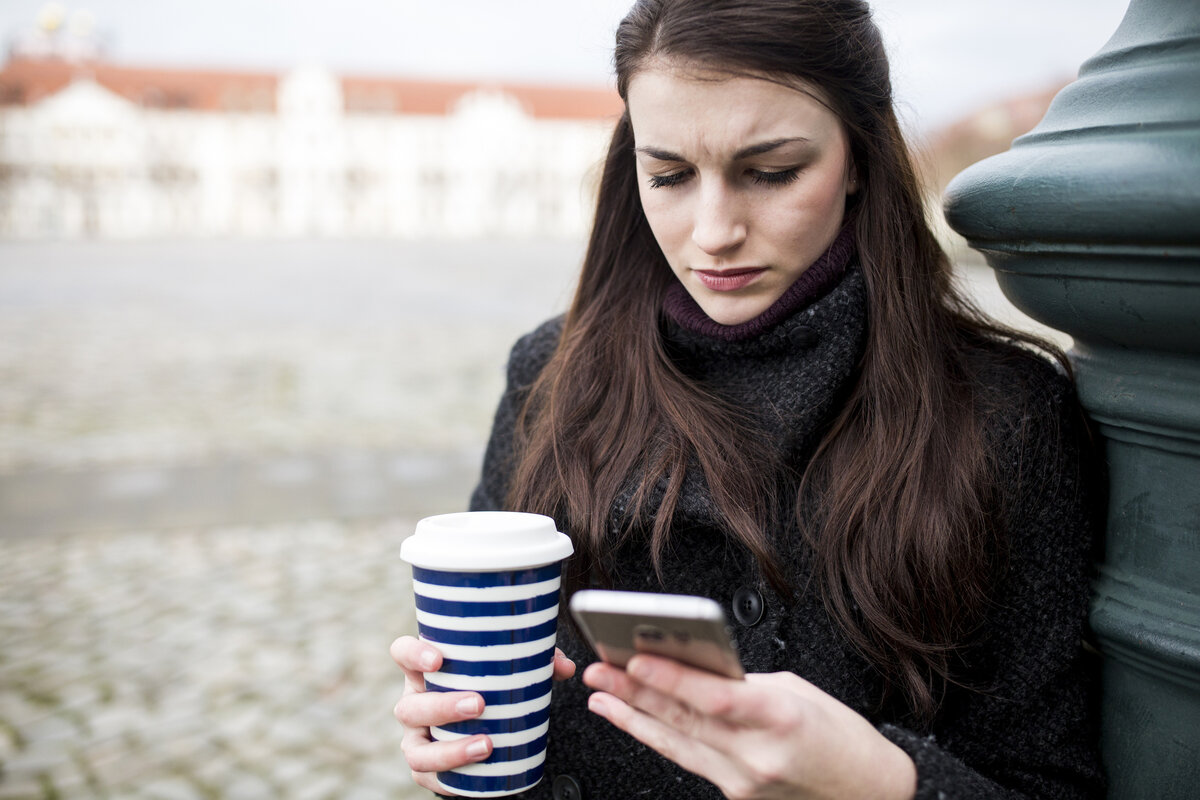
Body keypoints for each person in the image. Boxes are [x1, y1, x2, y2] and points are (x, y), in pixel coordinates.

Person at [391, 0, 1105, 797]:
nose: (713, 230)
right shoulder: (552, 376)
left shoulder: (1006, 415)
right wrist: (457, 741)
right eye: (668, 175)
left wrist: (883, 780)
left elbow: (1048, 778)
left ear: (860, 156)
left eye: (770, 172)